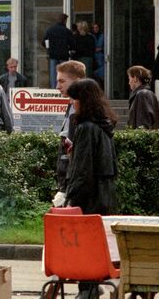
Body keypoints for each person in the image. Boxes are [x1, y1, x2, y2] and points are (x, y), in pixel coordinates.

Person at [64, 78, 118, 215]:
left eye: (74, 99)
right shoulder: (105, 126)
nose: (72, 103)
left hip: (88, 202)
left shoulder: (86, 128)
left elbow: (82, 170)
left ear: (84, 101)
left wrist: (71, 200)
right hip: (105, 197)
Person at [51, 60, 86, 209]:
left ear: (77, 82)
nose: (58, 86)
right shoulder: (72, 105)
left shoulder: (81, 108)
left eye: (62, 81)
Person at [42, 14, 74, 88]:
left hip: (53, 55)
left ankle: (55, 89)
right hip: (64, 55)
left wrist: (49, 48)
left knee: (53, 74)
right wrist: (69, 49)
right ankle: (64, 88)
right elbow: (72, 44)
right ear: (65, 21)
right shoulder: (67, 31)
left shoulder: (50, 30)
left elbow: (44, 42)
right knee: (64, 73)